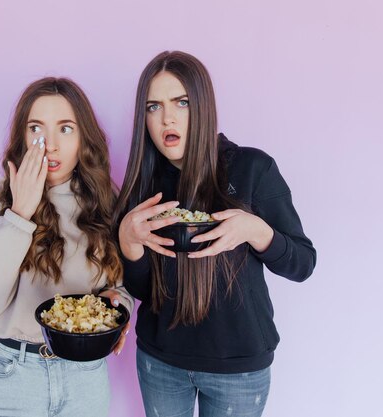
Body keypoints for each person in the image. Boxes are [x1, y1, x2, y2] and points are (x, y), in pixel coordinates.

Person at [115, 51, 317, 417]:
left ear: (203, 107)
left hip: (239, 368)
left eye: (182, 103)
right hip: (160, 362)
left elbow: (303, 264)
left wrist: (257, 231)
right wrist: (129, 242)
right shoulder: (143, 185)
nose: (168, 118)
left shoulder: (252, 168)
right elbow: (143, 292)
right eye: (153, 106)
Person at [0, 77, 133, 417]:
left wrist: (118, 305)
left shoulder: (107, 202)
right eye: (37, 128)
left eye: (65, 129)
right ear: (22, 137)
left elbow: (121, 285)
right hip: (15, 375)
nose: (50, 145)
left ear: (83, 137)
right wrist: (18, 215)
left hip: (85, 378)